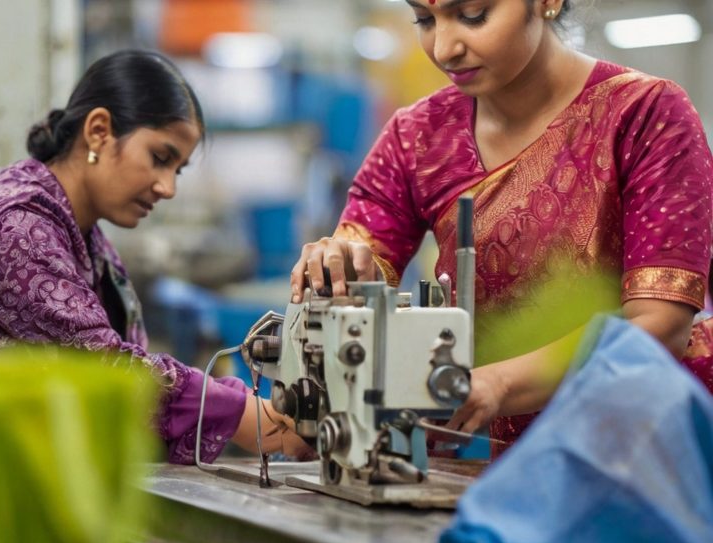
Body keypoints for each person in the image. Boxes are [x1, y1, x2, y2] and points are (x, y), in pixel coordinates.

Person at [291, 0, 713, 455]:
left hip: (649, 445)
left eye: (473, 15)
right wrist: (341, 266)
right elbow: (362, 251)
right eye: (425, 19)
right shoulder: (417, 138)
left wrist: (498, 384)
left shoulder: (645, 115)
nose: (445, 48)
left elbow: (659, 325)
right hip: (511, 460)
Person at [0, 49, 312, 464]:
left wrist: (238, 402)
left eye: (177, 170)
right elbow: (106, 370)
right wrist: (254, 420)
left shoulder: (83, 237)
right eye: (160, 158)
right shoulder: (16, 227)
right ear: (99, 131)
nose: (167, 187)